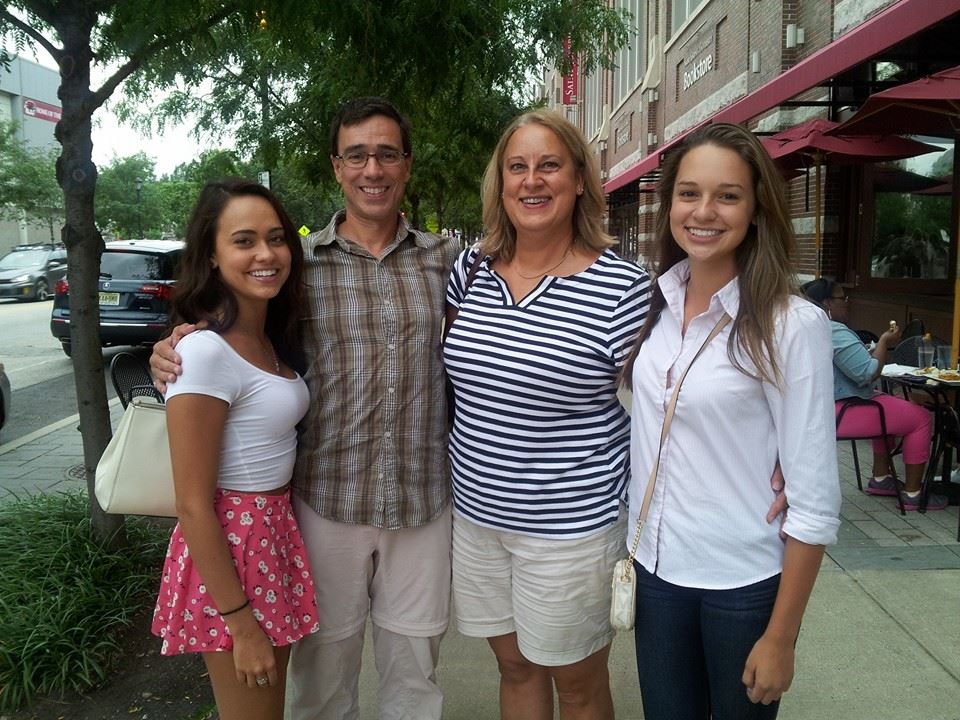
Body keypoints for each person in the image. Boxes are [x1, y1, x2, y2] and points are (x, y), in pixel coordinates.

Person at [151, 97, 459, 720]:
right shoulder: (298, 267)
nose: (373, 169)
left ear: (407, 165)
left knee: (415, 678)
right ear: (336, 167)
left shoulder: (448, 263)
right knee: (321, 678)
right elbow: (239, 330)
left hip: (423, 501)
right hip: (323, 504)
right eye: (357, 155)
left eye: (387, 154)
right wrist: (177, 344)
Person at [621, 123, 842, 719]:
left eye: (728, 195)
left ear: (756, 208)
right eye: (689, 193)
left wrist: (782, 637)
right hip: (658, 571)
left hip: (741, 586)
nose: (704, 211)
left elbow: (816, 501)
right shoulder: (655, 307)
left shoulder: (791, 325)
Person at [443, 109, 650, 719]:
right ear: (501, 184)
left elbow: (672, 400)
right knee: (513, 668)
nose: (532, 181)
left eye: (550, 165)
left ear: (580, 179)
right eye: (518, 167)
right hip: (477, 519)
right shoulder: (470, 270)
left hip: (570, 530)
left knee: (578, 688)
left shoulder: (623, 287)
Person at [151, 179, 318, 720]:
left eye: (276, 238)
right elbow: (193, 503)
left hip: (271, 537)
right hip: (234, 549)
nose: (266, 254)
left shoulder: (268, 339)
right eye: (244, 241)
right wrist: (240, 622)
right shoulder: (201, 353)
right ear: (213, 257)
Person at [802, 278, 945, 511]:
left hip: (819, 409)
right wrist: (884, 342)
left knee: (888, 404)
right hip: (841, 412)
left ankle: (881, 478)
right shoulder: (834, 330)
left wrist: (870, 349)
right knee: (921, 418)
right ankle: (913, 493)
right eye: (842, 298)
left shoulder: (806, 327)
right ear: (828, 303)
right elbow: (866, 373)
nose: (846, 303)